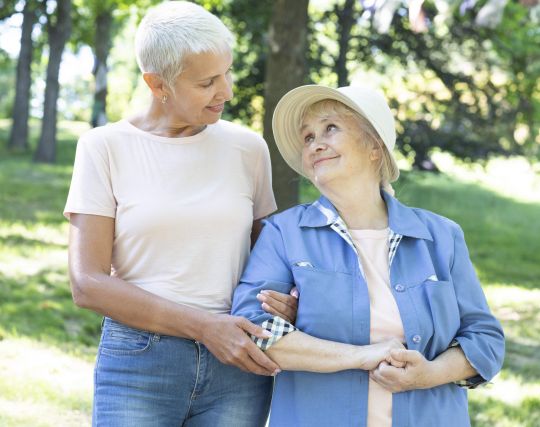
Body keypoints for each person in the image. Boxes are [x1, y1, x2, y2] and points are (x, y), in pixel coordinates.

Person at [64, 2, 297, 426]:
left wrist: (291, 300)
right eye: (207, 82)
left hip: (238, 362)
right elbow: (87, 284)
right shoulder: (103, 148)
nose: (226, 91)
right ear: (158, 85)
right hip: (139, 360)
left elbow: (271, 259)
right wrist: (206, 327)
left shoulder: (248, 150)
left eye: (226, 73)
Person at [232, 85, 505, 427]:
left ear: (375, 146)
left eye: (331, 128)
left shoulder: (441, 237)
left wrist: (429, 373)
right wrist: (361, 356)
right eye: (308, 137)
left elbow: (485, 339)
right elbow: (252, 327)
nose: (316, 143)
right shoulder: (283, 234)